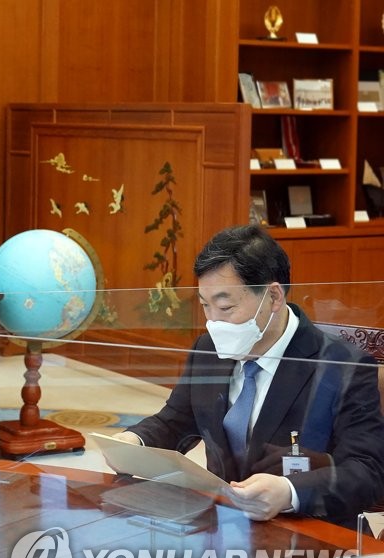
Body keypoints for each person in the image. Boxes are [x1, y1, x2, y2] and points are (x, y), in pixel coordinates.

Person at [115, 224, 384, 525]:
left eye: (226, 307)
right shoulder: (208, 349)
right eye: (206, 306)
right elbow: (178, 419)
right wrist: (134, 440)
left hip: (309, 535)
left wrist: (290, 491)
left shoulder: (342, 366)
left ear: (274, 297)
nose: (214, 323)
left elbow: (367, 472)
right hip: (224, 530)